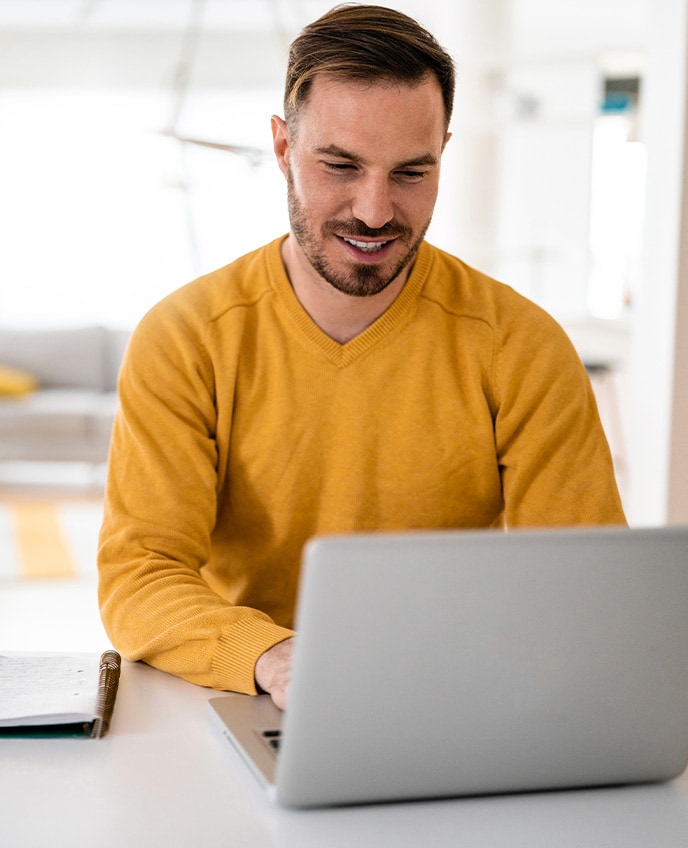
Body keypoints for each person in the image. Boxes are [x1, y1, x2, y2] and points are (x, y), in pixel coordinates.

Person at [97, 4, 626, 710]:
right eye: (340, 166)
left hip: (454, 697)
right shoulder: (186, 337)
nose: (375, 211)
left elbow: (583, 586)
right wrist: (278, 659)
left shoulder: (520, 347)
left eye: (411, 173)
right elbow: (142, 571)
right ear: (283, 148)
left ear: (443, 152)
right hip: (244, 694)